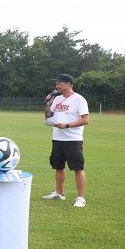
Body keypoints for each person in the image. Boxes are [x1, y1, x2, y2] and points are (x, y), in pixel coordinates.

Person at [43, 73, 90, 208]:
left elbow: (85, 120)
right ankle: (59, 193)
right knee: (58, 167)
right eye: (57, 84)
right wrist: (47, 104)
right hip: (57, 138)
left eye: (60, 83)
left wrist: (67, 125)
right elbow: (48, 116)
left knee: (78, 168)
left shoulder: (79, 100)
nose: (57, 86)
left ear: (69, 84)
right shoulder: (56, 99)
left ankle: (81, 198)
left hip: (73, 139)